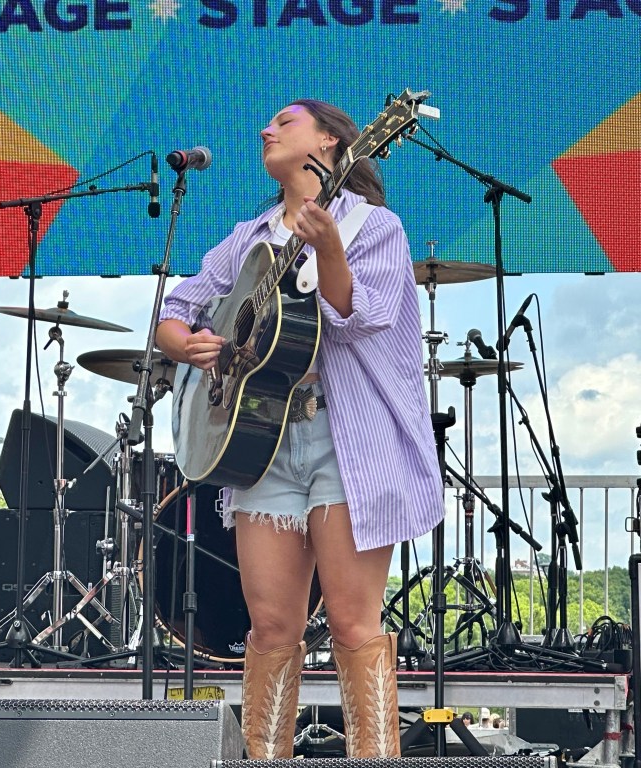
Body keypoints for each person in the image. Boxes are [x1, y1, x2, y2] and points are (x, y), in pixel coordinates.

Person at [156, 98, 443, 760]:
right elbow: (176, 311)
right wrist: (191, 346)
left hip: (348, 444)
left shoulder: (376, 227)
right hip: (262, 444)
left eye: (284, 123)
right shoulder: (249, 237)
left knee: (350, 621)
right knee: (273, 625)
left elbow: (361, 315)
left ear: (335, 144)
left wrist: (330, 250)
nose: (266, 130)